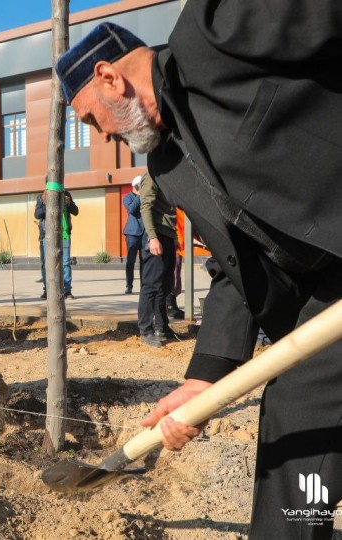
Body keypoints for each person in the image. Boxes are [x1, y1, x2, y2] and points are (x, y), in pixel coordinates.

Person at [56, 9, 342, 538]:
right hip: (328, 297)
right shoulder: (167, 167)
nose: (101, 137)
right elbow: (235, 268)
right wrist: (202, 377)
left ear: (108, 77)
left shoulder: (217, 33)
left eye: (93, 119)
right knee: (296, 417)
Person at [137, 172, 176, 347]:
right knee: (151, 285)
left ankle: (162, 327)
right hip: (156, 235)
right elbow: (145, 207)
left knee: (165, 285)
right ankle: (145, 330)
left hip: (167, 235)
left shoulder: (167, 178)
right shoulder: (152, 176)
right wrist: (153, 237)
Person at [34, 188, 79, 300]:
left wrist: (69, 204)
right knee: (46, 264)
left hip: (64, 235)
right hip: (46, 236)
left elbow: (76, 211)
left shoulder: (66, 194)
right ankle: (47, 291)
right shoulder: (41, 197)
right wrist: (46, 203)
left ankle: (67, 291)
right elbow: (37, 214)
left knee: (65, 263)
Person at [122, 175, 144, 294]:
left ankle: (143, 286)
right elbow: (131, 210)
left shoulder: (145, 197)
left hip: (145, 233)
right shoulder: (127, 198)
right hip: (132, 234)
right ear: (137, 186)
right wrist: (140, 195)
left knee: (144, 261)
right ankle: (129, 285)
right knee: (131, 261)